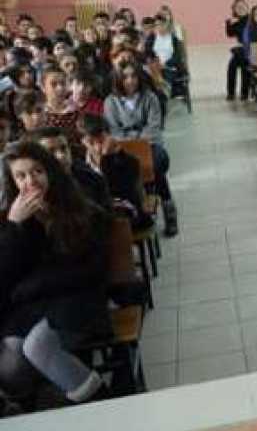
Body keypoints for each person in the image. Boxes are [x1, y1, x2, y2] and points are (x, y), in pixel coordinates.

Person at [0, 141, 113, 406]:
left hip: (78, 300)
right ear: (13, 181)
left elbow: (92, 271)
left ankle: (104, 404)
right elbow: (5, 277)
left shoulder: (80, 208)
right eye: (21, 175)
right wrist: (14, 228)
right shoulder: (13, 220)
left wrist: (35, 284)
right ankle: (42, 406)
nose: (30, 181)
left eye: (37, 171)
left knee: (37, 346)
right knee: (11, 361)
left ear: (49, 171)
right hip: (33, 307)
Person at [103, 62, 178, 237]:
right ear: (118, 80)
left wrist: (138, 141)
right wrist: (133, 141)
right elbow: (114, 131)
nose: (130, 81)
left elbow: (153, 127)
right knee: (126, 169)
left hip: (150, 144)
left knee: (156, 165)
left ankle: (168, 209)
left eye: (133, 76)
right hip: (122, 148)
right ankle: (140, 209)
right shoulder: (110, 102)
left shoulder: (150, 97)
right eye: (125, 77)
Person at [28, 127, 111, 211]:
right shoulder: (32, 190)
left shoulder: (93, 179)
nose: (61, 156)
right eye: (51, 151)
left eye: (64, 148)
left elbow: (108, 217)